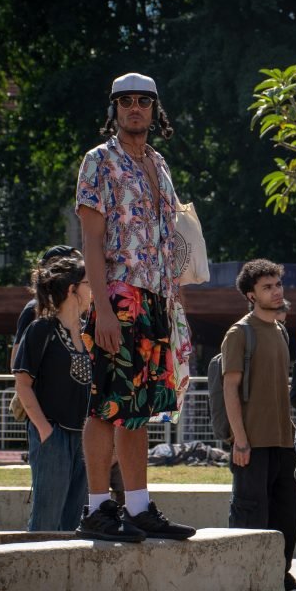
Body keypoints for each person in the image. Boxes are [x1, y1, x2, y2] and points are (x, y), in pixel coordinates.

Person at [74, 72, 195, 542]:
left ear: (155, 108)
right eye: (124, 101)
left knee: (140, 410)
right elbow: (91, 238)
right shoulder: (98, 161)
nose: (134, 108)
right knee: (107, 404)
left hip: (157, 300)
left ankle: (138, 507)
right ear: (114, 110)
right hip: (119, 295)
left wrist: (174, 304)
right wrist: (102, 308)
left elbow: (170, 239)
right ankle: (98, 508)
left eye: (143, 100)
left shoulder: (159, 163)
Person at [221, 259, 296, 591]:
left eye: (277, 285)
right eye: (267, 287)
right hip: (251, 442)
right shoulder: (240, 333)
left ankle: (279, 576)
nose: (276, 291)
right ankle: (247, 580)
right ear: (251, 295)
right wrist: (240, 441)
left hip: (284, 440)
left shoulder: (281, 330)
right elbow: (230, 389)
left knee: (286, 514)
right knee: (251, 514)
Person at [12, 257, 92, 531]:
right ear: (72, 289)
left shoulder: (89, 333)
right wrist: (45, 430)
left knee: (74, 522)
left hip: (84, 439)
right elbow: (22, 383)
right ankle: (33, 574)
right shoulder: (41, 329)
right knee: (46, 521)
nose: (94, 290)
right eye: (88, 283)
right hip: (53, 434)